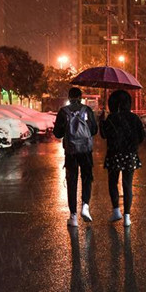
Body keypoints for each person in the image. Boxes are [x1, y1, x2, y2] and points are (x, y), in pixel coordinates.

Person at [53, 87, 98, 227]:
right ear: (81, 97)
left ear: (69, 97)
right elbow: (94, 130)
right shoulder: (87, 110)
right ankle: (85, 205)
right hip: (85, 150)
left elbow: (57, 133)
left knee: (72, 181)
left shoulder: (63, 111)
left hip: (71, 151)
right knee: (87, 178)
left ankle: (73, 216)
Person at [100, 90, 145, 226]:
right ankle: (127, 217)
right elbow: (142, 136)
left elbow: (103, 135)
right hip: (129, 154)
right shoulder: (134, 118)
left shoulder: (111, 118)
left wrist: (102, 121)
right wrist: (132, 144)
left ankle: (116, 211)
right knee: (127, 184)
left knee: (112, 182)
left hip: (114, 154)